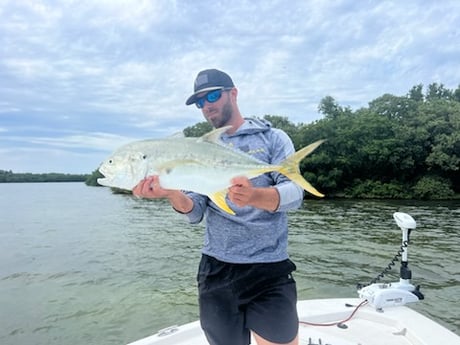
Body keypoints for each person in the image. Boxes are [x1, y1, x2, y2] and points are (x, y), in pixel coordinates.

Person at [133, 69, 303, 345]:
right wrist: (170, 193)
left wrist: (254, 196)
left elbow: (295, 194)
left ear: (233, 93)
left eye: (212, 95)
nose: (207, 105)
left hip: (269, 268)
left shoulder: (272, 138)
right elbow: (196, 210)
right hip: (217, 270)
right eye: (200, 102)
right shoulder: (197, 149)